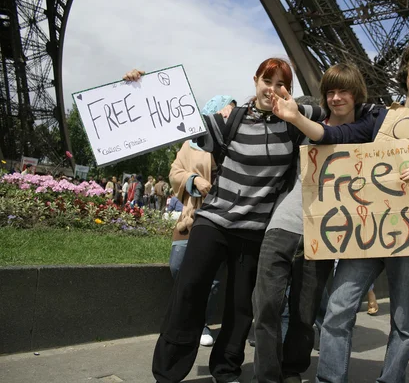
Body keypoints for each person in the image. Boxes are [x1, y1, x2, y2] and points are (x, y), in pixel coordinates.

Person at [125, 58, 318, 383]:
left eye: (280, 84)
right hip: (213, 221)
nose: (272, 89)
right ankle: (167, 372)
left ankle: (226, 369)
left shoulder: (293, 122)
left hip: (255, 232)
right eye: (267, 81)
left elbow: (338, 118)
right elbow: (180, 122)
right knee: (188, 291)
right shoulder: (234, 119)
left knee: (240, 307)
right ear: (255, 80)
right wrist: (144, 88)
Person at [272, 42, 409, 383]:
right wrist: (294, 118)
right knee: (337, 309)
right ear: (405, 75)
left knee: (403, 322)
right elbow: (337, 133)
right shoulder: (382, 118)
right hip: (368, 225)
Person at [253, 65, 383, 383]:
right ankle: (267, 376)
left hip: (324, 230)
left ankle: (292, 368)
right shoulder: (308, 118)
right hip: (285, 221)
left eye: (344, 91)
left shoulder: (367, 130)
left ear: (357, 94)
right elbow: (265, 115)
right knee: (267, 302)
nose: (336, 98)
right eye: (331, 92)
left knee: (305, 308)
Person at [168, 95, 235, 348]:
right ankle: (189, 316)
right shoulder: (190, 145)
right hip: (191, 215)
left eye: (232, 114)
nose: (229, 117)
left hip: (221, 218)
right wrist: (193, 180)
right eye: (225, 112)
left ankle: (202, 322)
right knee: (178, 265)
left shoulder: (236, 143)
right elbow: (175, 172)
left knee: (215, 277)